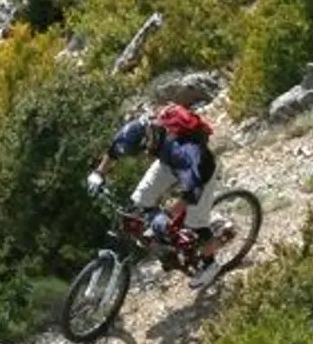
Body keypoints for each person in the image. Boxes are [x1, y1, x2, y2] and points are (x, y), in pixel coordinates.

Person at [86, 104, 226, 290]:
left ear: (152, 140)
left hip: (200, 173)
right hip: (168, 162)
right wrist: (99, 174)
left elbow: (193, 191)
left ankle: (210, 265)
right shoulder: (136, 130)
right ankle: (162, 239)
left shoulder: (184, 151)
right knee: (140, 200)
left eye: (145, 151)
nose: (143, 156)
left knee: (195, 223)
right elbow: (114, 150)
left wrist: (170, 214)